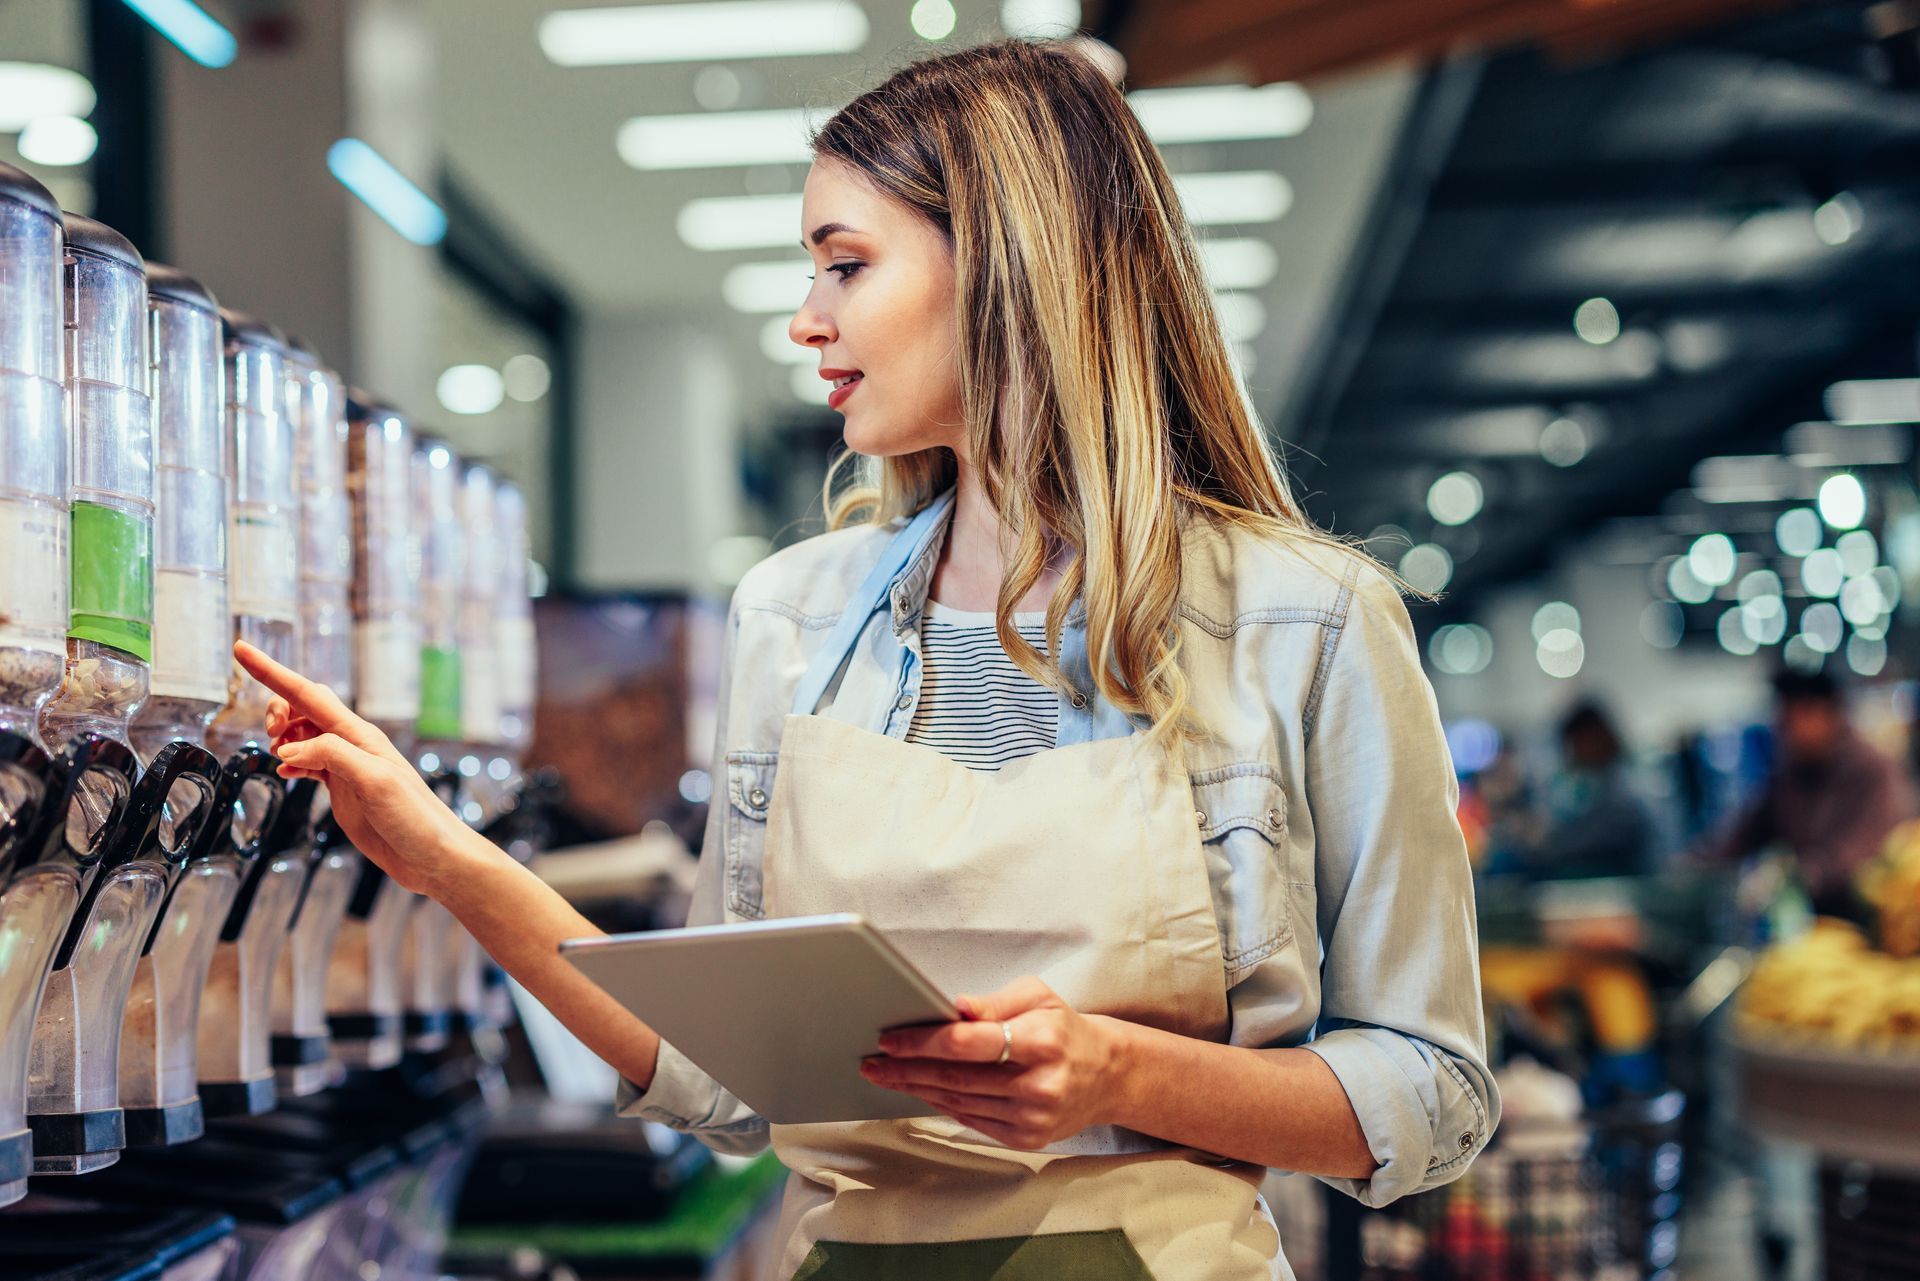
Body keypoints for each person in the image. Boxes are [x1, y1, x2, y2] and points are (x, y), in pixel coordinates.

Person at [237, 40, 1495, 1279]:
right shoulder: (796, 615)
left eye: (846, 265)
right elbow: (719, 1084)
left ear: (1010, 268)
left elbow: (1433, 1091)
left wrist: (1122, 1075)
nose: (806, 320)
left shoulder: (1307, 619)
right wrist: (441, 857)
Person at [1713, 667, 1913, 920]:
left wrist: (1798, 874)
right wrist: (1686, 869)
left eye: (1796, 714)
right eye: (1783, 715)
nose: (1784, 727)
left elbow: (1867, 851)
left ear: (1828, 712)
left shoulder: (1873, 770)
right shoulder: (1789, 773)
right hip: (1816, 925)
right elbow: (1740, 837)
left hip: (1871, 925)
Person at [1534, 701, 1657, 880]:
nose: (1573, 754)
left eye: (1575, 743)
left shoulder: (1623, 788)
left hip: (1635, 890)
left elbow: (1588, 837)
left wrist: (1546, 843)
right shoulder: (1609, 780)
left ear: (1594, 737)